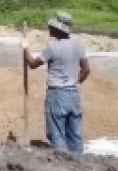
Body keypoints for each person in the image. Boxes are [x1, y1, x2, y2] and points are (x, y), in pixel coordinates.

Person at [23, 11, 92, 154]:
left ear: (58, 29)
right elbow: (86, 70)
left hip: (57, 95)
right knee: (75, 135)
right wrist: (73, 82)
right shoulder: (78, 45)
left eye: (51, 27)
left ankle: (63, 166)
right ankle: (79, 164)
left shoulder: (53, 48)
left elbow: (32, 63)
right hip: (73, 94)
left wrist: (25, 48)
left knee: (57, 134)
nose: (49, 29)